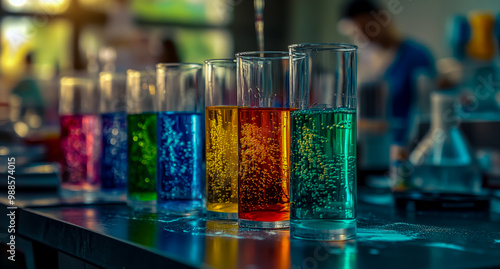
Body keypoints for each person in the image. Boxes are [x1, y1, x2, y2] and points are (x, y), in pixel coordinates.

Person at [340, 0, 436, 184]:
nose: (363, 36)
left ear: (383, 19)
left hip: (402, 152)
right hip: (362, 154)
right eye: (356, 31)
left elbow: (425, 110)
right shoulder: (358, 59)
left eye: (367, 27)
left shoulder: (416, 56)